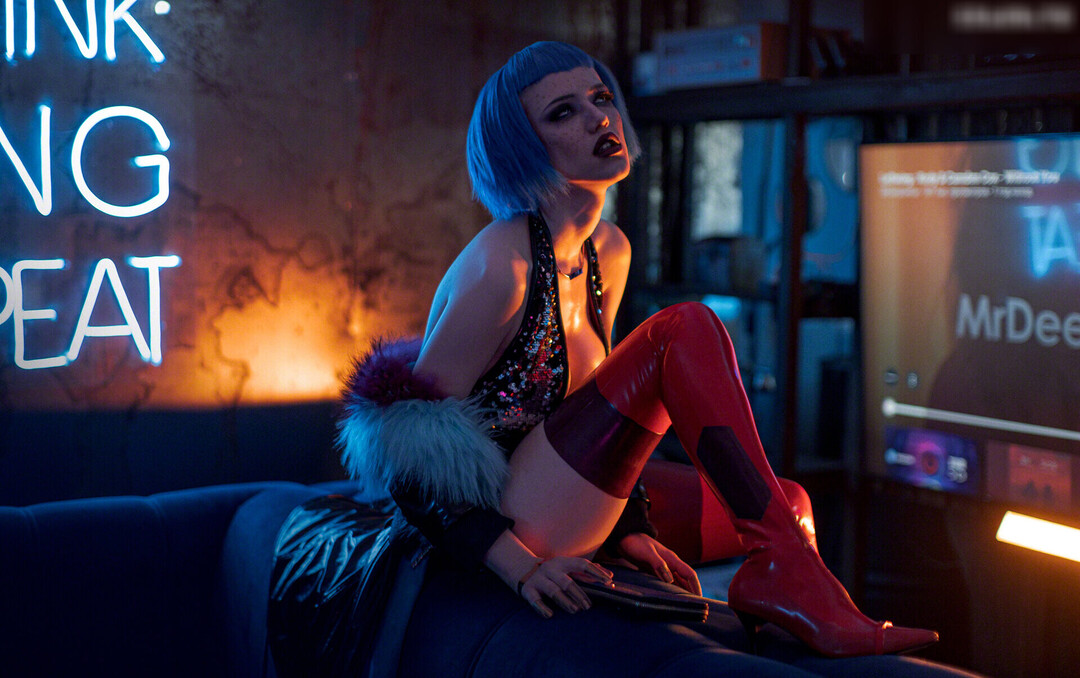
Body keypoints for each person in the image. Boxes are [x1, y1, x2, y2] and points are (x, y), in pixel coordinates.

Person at [269, 41, 944, 678]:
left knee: (790, 505)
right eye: (563, 113)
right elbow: (410, 461)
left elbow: (593, 423)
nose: (599, 118)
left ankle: (785, 608)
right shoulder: (501, 266)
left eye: (599, 98)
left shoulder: (607, 251)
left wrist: (629, 528)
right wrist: (520, 566)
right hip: (495, 520)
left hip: (558, 500)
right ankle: (791, 580)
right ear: (521, 144)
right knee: (683, 329)